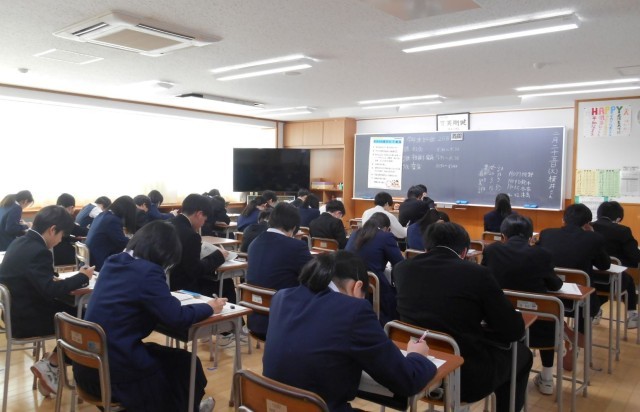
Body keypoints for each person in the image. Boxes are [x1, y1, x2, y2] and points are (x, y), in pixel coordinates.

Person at [73, 221, 225, 412]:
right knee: (184, 365)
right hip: (115, 374)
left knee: (181, 362)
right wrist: (209, 307)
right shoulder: (148, 272)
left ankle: (189, 407)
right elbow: (177, 317)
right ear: (164, 253)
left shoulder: (113, 261)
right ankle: (186, 407)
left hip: (89, 365)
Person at [263, 251, 436, 412]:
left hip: (275, 405)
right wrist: (418, 355)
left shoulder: (281, 297)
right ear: (357, 286)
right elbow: (407, 380)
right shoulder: (354, 310)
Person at [394, 222, 532, 412]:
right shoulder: (477, 274)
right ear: (464, 252)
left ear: (426, 247)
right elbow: (513, 330)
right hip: (466, 377)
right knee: (522, 355)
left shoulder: (402, 269)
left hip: (416, 368)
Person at [0, 205, 93, 396]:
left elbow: (37, 279)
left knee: (78, 314)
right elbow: (50, 291)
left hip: (15, 313)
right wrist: (82, 276)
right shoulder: (38, 251)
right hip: (28, 320)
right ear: (52, 229)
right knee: (87, 321)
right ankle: (53, 363)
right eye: (61, 235)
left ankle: (52, 364)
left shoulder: (20, 242)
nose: (59, 241)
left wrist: (54, 280)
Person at [482, 214, 563, 395]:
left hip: (499, 322)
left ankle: (500, 373)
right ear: (530, 236)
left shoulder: (492, 250)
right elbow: (555, 285)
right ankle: (547, 378)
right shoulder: (542, 254)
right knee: (550, 317)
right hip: (538, 327)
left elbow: (485, 279)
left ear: (503, 235)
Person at [246, 202, 312, 339]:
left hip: (255, 320)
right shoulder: (296, 247)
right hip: (283, 320)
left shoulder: (254, 243)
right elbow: (314, 277)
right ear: (294, 227)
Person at [537, 204, 609, 327]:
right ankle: (580, 334)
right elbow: (604, 265)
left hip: (548, 294)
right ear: (587, 224)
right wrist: (592, 234)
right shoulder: (594, 238)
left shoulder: (546, 234)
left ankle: (559, 334)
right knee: (588, 289)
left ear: (563, 219)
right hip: (580, 295)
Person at [346, 212, 404, 324]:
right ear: (386, 228)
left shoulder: (355, 233)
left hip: (350, 281)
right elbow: (399, 263)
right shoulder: (385, 236)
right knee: (395, 298)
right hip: (374, 284)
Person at [591, 201, 639, 328]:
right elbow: (634, 256)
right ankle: (632, 315)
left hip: (587, 281)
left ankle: (595, 311)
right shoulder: (622, 231)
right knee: (629, 280)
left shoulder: (587, 228)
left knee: (601, 279)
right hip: (612, 283)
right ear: (618, 218)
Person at [169, 194, 228, 295]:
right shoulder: (191, 236)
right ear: (199, 214)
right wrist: (219, 256)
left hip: (163, 281)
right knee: (226, 284)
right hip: (181, 288)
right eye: (204, 220)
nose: (203, 224)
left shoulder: (166, 224)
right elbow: (195, 270)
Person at [85, 195, 137, 270]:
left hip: (93, 257)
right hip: (101, 260)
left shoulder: (103, 215)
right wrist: (137, 242)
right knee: (134, 259)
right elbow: (122, 242)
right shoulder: (112, 220)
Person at [53, 193, 89, 266]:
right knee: (85, 255)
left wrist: (75, 238)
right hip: (63, 255)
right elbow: (81, 231)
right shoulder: (65, 217)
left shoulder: (54, 215)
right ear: (71, 207)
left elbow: (64, 236)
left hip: (55, 252)